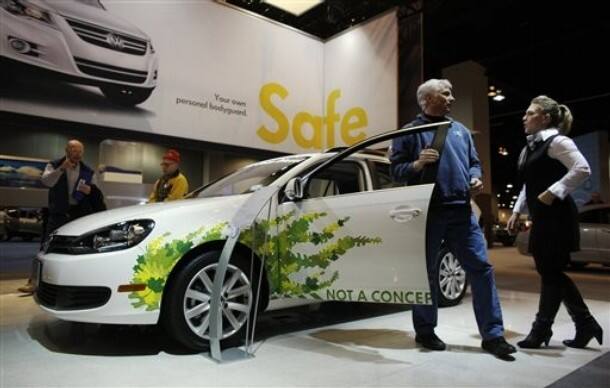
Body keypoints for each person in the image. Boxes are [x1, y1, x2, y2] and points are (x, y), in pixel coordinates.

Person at [390, 79, 515, 358]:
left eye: (451, 93)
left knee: (481, 269)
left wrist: (475, 177)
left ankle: (493, 336)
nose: (452, 98)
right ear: (427, 99)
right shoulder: (410, 132)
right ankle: (425, 331)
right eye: (446, 94)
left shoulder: (460, 131)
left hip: (461, 211)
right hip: (427, 212)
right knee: (426, 273)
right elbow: (396, 171)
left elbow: (474, 162)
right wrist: (417, 164)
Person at [507, 96, 603, 349]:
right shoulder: (529, 147)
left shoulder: (558, 141)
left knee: (550, 273)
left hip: (558, 216)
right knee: (550, 272)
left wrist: (555, 190)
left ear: (545, 118)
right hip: (541, 217)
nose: (524, 117)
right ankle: (585, 324)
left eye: (530, 113)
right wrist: (517, 211)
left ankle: (541, 330)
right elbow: (528, 184)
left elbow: (582, 169)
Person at [18, 139, 105, 294]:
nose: (77, 154)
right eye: (74, 150)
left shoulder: (87, 170)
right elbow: (46, 182)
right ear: (67, 150)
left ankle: (76, 283)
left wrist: (90, 191)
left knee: (78, 248)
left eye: (80, 151)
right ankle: (34, 282)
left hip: (78, 214)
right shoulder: (54, 165)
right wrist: (60, 169)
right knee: (47, 246)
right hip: (58, 213)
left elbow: (96, 192)